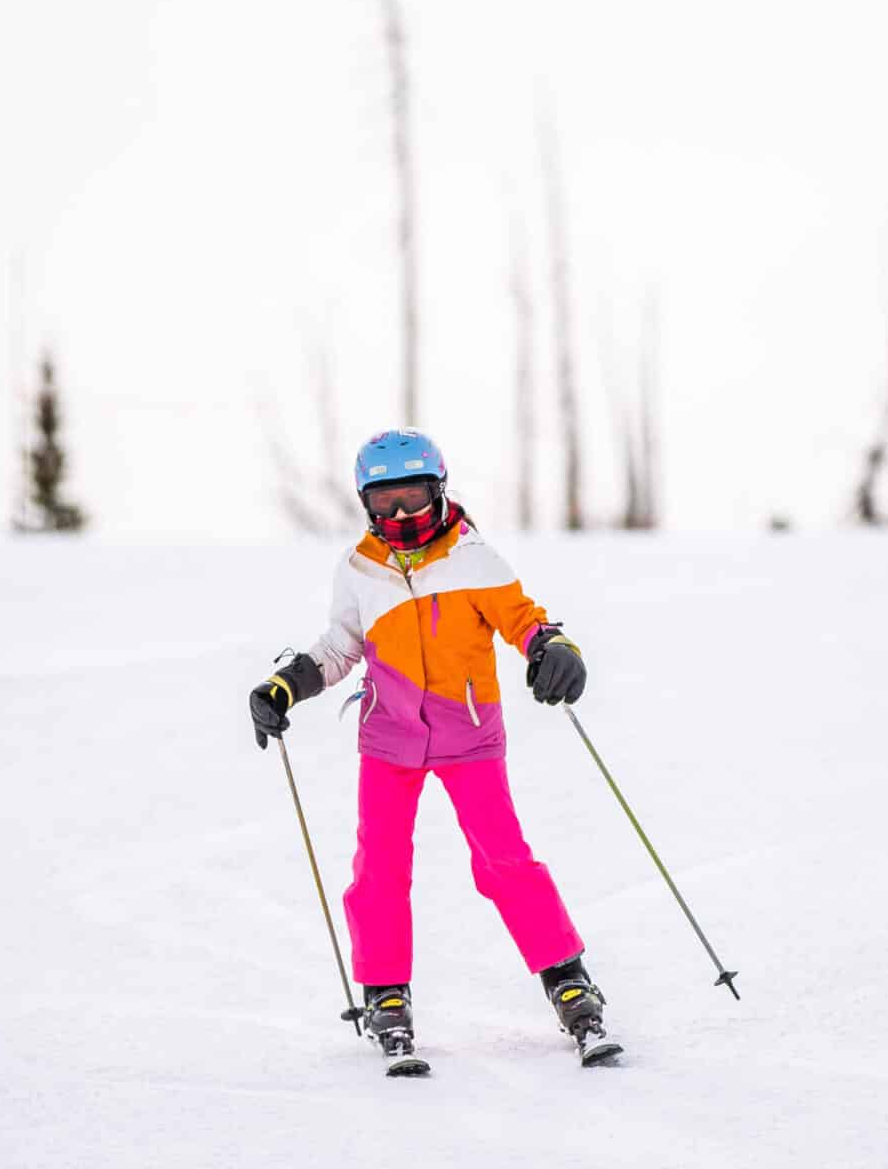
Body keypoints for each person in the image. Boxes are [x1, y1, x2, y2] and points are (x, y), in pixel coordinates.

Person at [249, 428, 618, 1069]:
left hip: (469, 734)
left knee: (504, 859)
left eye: (414, 499)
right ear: (366, 503)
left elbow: (522, 617)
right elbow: (340, 647)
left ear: (440, 490)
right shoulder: (360, 567)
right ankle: (386, 994)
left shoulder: (473, 556)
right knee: (381, 866)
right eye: (384, 504)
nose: (400, 517)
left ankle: (568, 979)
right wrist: (287, 684)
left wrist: (552, 647)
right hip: (389, 739)